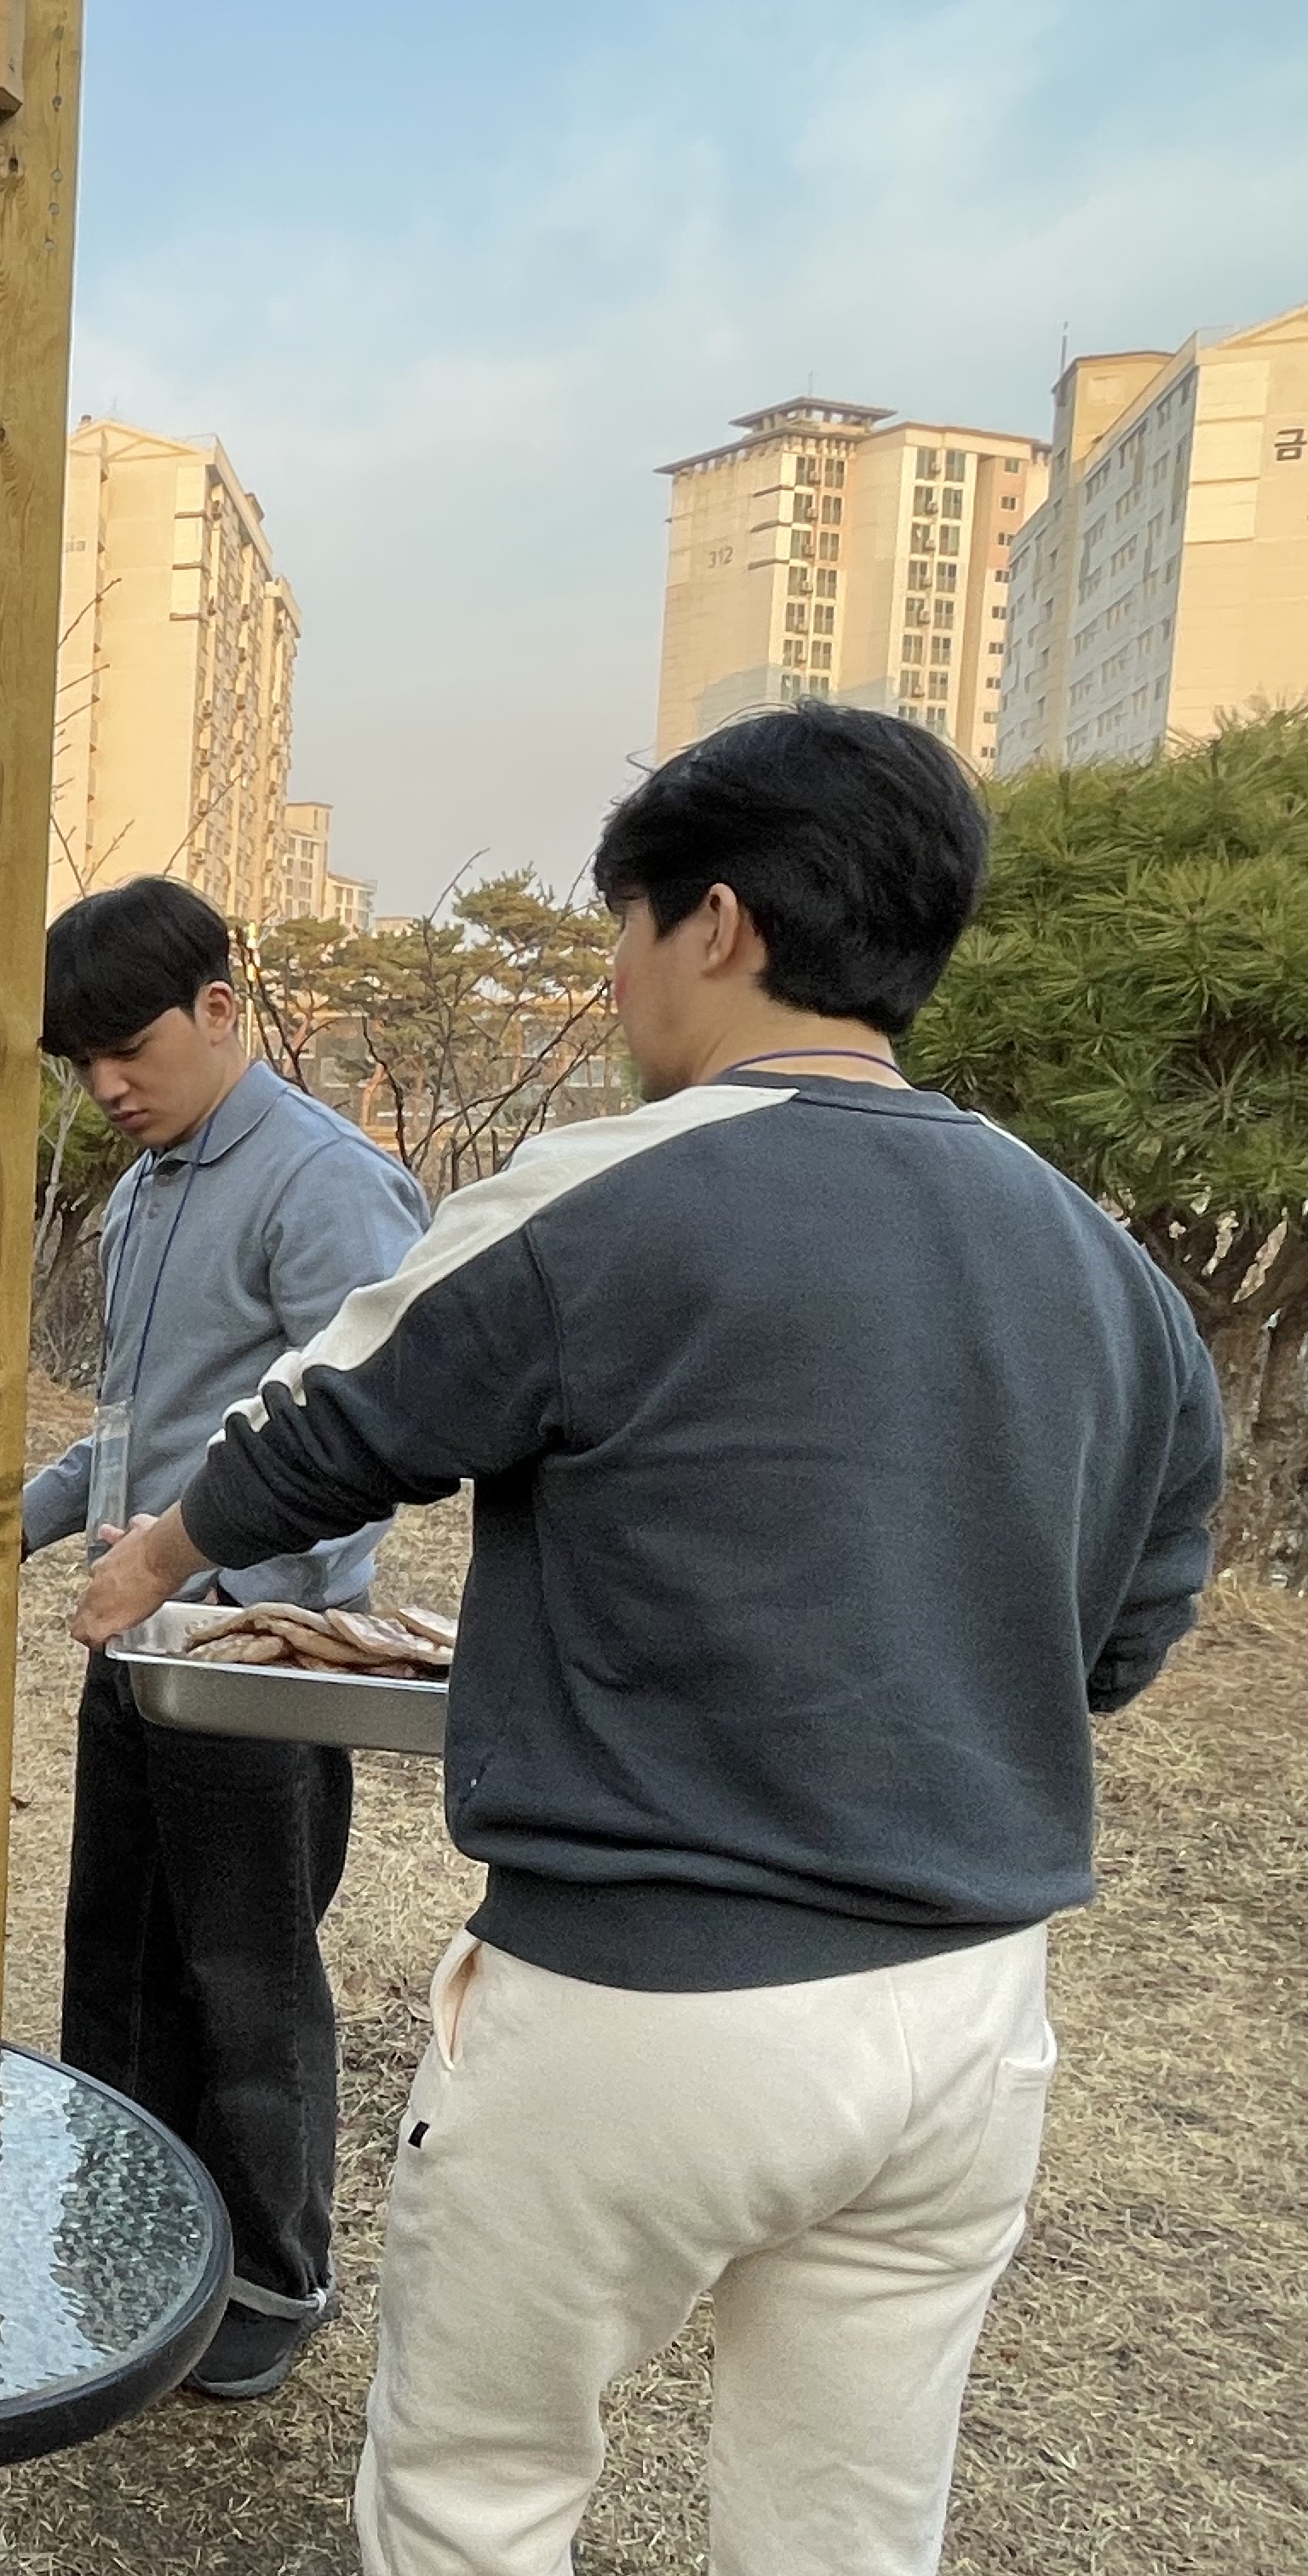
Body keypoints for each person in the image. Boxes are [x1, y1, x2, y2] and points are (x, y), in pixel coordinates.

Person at [72, 704, 1223, 2576]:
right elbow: (1127, 1631)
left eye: (623, 929)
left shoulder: (613, 1185)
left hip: (641, 1998)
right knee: (846, 2531)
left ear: (718, 921)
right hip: (967, 2017)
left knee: (477, 2498)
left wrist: (156, 1560)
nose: (615, 979)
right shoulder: (1103, 1259)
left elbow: (328, 1419)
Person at [19, 877, 427, 2402]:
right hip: (136, 1642)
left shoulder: (327, 1182)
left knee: (243, 1967)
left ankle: (269, 2269)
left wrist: (211, 1582)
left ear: (216, 1005)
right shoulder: (143, 1191)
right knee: (117, 1946)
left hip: (257, 1654)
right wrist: (9, 1516)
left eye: (128, 1048)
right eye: (82, 1063)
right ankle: (126, 2232)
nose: (107, 1087)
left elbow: (363, 1440)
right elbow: (134, 1433)